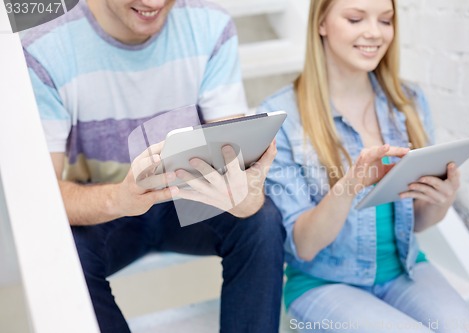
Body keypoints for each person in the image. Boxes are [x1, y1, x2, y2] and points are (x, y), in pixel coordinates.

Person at [22, 0, 285, 332]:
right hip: (108, 207)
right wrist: (119, 199)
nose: (154, 3)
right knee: (62, 251)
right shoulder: (44, 49)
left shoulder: (210, 24)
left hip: (189, 197)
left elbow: (233, 161)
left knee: (262, 221)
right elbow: (44, 195)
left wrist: (247, 197)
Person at [258, 0, 469, 332]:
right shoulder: (281, 116)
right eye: (355, 19)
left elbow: (420, 222)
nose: (374, 33)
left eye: (386, 20)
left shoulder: (407, 102)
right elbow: (304, 246)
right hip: (322, 282)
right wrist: (350, 186)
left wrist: (442, 199)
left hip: (405, 268)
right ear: (321, 23)